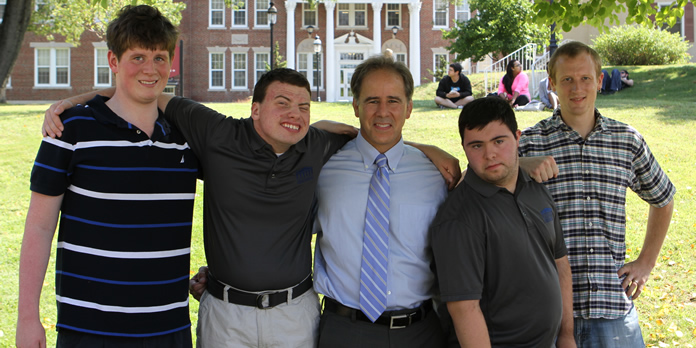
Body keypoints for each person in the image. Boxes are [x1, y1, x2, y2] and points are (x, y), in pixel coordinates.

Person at [42, 74, 462, 347]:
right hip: (226, 313)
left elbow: (375, 134)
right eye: (282, 103)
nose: (294, 115)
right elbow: (149, 91)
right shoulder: (216, 132)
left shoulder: (318, 146)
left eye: (303, 107)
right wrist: (84, 98)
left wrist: (429, 149)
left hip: (294, 314)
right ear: (255, 109)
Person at [16, 5, 199, 347]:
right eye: (138, 57)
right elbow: (39, 227)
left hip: (168, 327)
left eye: (160, 58)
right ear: (113, 62)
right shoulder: (70, 129)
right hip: (89, 328)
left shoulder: (185, 136)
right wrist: (27, 318)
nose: (151, 69)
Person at [519, 41, 675, 347]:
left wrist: (646, 262)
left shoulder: (626, 140)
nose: (577, 88)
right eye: (567, 79)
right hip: (549, 310)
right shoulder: (530, 143)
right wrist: (520, 164)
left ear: (600, 81)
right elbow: (481, 179)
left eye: (585, 78)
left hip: (612, 307)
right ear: (552, 83)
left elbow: (664, 197)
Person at [313, 55, 448, 347]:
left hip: (419, 331)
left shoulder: (436, 173)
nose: (383, 112)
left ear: (410, 108)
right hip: (344, 330)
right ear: (355, 106)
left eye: (394, 101)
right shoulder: (323, 168)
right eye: (372, 100)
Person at [429, 97, 575, 347]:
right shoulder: (459, 218)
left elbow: (560, 264)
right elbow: (465, 310)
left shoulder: (535, 187)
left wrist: (566, 336)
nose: (490, 154)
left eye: (499, 141)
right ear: (464, 148)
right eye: (476, 146)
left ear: (517, 137)